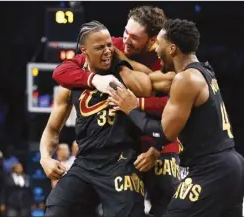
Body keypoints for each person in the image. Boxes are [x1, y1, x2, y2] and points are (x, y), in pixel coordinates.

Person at [108, 19, 244, 217]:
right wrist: (155, 150)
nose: (156, 50)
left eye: (160, 44)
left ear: (172, 48)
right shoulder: (205, 71)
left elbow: (165, 130)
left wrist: (132, 108)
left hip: (212, 169)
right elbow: (153, 84)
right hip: (233, 165)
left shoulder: (185, 79)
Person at [52, 6, 181, 216]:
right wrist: (94, 79)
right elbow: (62, 71)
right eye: (125, 33)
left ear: (152, 41)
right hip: (120, 145)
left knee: (168, 198)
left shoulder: (167, 57)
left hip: (159, 136)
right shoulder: (112, 45)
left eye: (134, 38)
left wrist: (136, 100)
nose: (125, 41)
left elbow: (176, 106)